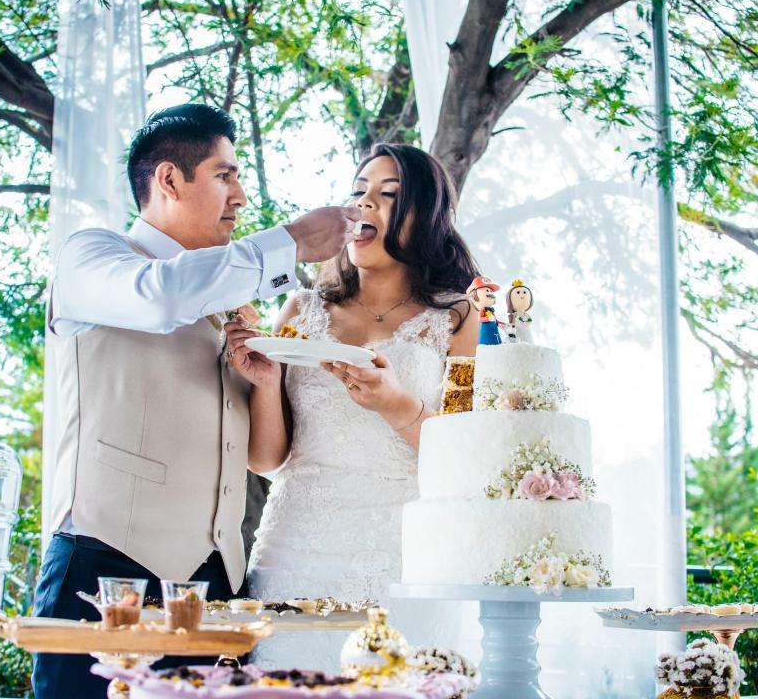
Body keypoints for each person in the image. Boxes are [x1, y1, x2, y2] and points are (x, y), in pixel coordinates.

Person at [32, 103, 357, 697]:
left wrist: (261, 380)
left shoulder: (235, 299)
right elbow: (160, 297)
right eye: (224, 174)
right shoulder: (92, 256)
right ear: (169, 179)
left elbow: (259, 455)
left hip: (213, 586)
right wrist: (293, 242)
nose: (239, 194)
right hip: (103, 569)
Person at [224, 143, 480, 670]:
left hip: (406, 556)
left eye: (388, 195)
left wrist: (396, 404)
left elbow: (465, 458)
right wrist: (267, 383)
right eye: (358, 192)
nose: (366, 204)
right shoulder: (301, 308)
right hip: (295, 548)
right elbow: (267, 459)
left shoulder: (458, 318)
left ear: (427, 216)